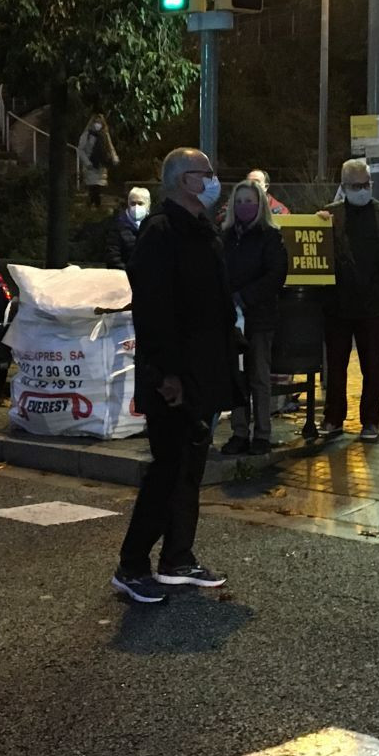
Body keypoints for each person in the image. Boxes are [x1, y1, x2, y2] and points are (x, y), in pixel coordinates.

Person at [112, 148, 236, 605]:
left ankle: (177, 558)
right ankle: (132, 564)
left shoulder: (202, 231)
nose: (213, 180)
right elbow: (154, 310)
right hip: (173, 378)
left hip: (203, 373)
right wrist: (165, 373)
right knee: (167, 469)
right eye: (206, 173)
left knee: (189, 469)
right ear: (185, 180)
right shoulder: (161, 233)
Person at [324, 157, 379, 442]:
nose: (363, 189)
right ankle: (333, 417)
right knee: (336, 364)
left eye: (366, 184)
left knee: (373, 365)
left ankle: (370, 421)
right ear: (343, 186)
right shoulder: (331, 216)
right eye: (356, 185)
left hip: (372, 306)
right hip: (338, 305)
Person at [220, 178, 288, 456]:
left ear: (260, 205)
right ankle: (238, 432)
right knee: (236, 376)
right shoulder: (225, 238)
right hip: (231, 319)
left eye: (249, 201)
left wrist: (246, 296)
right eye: (240, 201)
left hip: (259, 318)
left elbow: (276, 275)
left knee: (259, 377)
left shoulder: (270, 236)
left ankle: (262, 433)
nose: (244, 206)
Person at [76, 115, 119, 209]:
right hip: (90, 165)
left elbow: (110, 147)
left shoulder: (105, 135)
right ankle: (94, 206)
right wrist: (87, 162)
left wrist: (114, 157)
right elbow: (80, 149)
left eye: (100, 122)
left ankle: (93, 206)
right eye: (96, 122)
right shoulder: (87, 134)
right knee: (93, 187)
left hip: (101, 164)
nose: (97, 124)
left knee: (98, 187)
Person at [106, 187, 150, 269]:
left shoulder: (154, 225)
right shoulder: (118, 227)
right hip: (124, 276)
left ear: (148, 205)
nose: (136, 207)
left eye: (140, 203)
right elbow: (113, 257)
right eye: (133, 203)